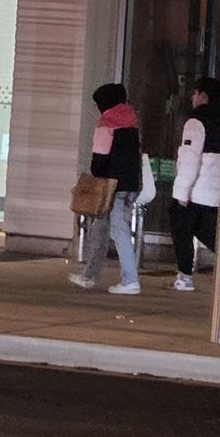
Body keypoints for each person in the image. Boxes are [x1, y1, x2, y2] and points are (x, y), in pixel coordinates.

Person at [69, 82, 143, 295]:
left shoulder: (106, 122)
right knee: (100, 230)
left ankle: (130, 280)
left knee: (118, 230)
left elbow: (99, 160)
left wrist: (97, 174)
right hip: (129, 183)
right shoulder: (132, 121)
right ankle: (88, 276)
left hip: (111, 186)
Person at [168, 76, 220, 292]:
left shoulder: (195, 122)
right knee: (206, 231)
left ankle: (185, 275)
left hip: (196, 189)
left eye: (195, 93)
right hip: (214, 190)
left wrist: (182, 192)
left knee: (181, 228)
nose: (192, 98)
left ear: (203, 96)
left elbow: (190, 158)